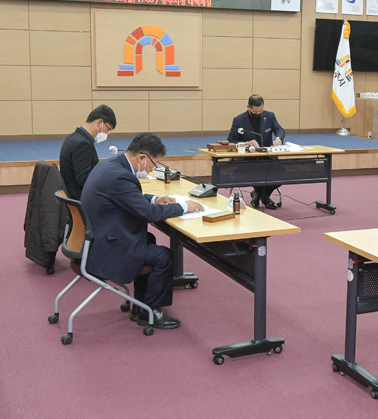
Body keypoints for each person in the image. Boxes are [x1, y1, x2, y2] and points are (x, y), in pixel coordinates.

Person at [78, 133, 201, 331]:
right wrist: (185, 206)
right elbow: (149, 214)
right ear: (142, 157)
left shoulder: (109, 166)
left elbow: (128, 197)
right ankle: (150, 311)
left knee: (148, 239)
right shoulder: (121, 177)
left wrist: (154, 199)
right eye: (154, 164)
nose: (153, 169)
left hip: (97, 238)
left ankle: (141, 304)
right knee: (164, 256)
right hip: (107, 249)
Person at [226, 94, 287, 208]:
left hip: (268, 157)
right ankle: (265, 198)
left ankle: (260, 195)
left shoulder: (269, 116)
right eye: (255, 112)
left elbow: (279, 129)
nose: (258, 114)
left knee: (282, 174)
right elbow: (231, 140)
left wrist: (278, 138)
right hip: (248, 161)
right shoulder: (239, 120)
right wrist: (245, 143)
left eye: (260, 111)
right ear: (248, 107)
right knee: (258, 173)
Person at [59, 105, 116, 201]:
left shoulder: (73, 137)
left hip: (74, 195)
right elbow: (84, 180)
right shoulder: (82, 144)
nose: (107, 134)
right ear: (100, 123)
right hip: (82, 200)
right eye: (108, 129)